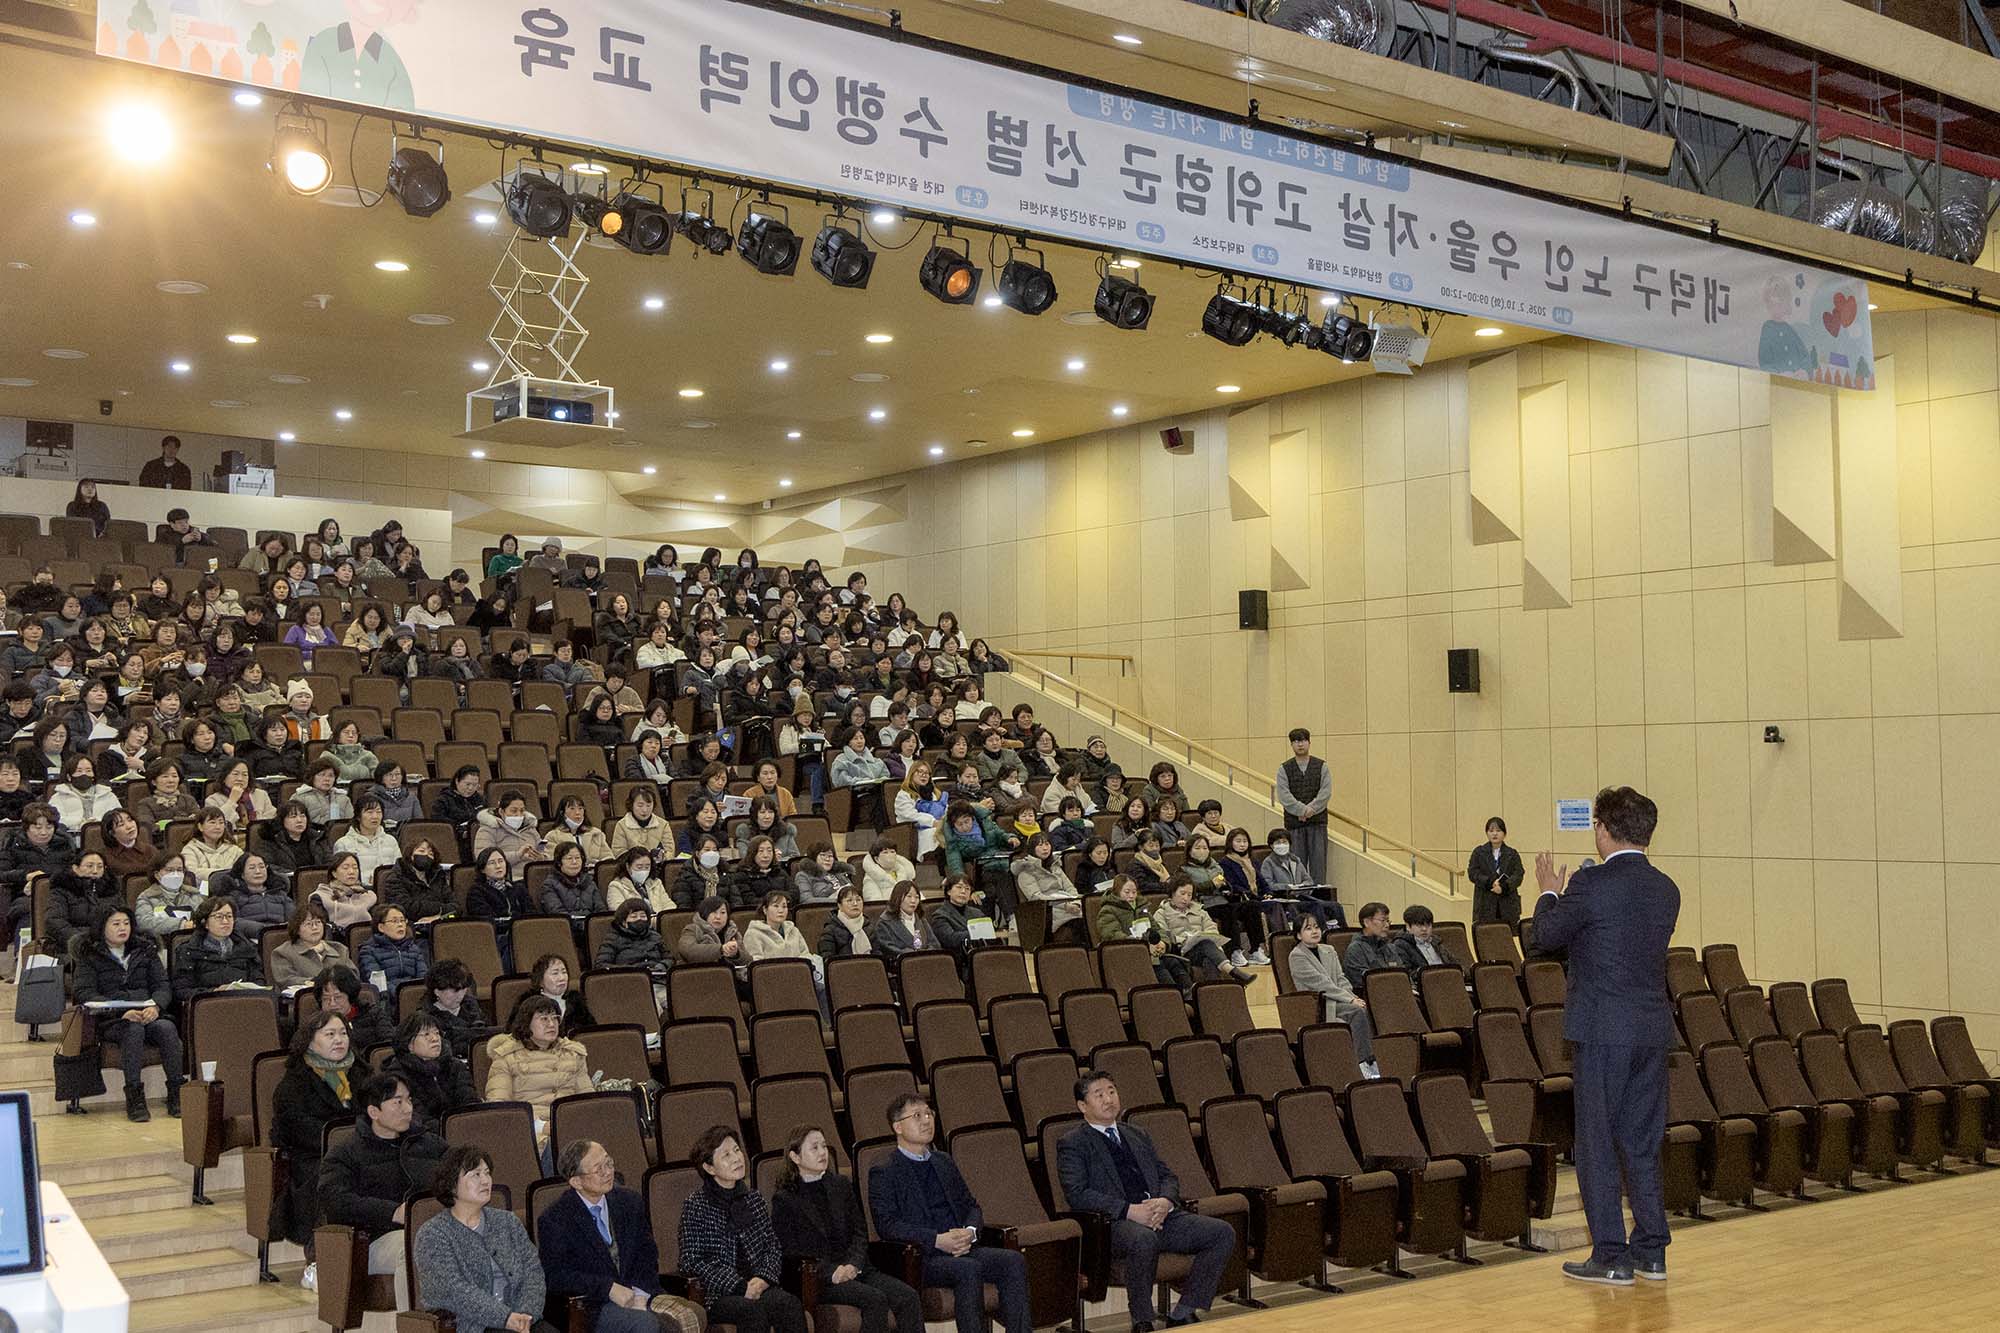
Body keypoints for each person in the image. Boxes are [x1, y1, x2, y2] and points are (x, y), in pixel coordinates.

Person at [1532, 787, 1679, 1286]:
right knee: (1642, 1142)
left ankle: (1611, 1255)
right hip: (1652, 1030)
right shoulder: (1666, 888)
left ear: (1604, 829)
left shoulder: (1591, 883)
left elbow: (1544, 938)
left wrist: (1549, 892)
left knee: (1596, 1142)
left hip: (1602, 1029)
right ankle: (1652, 1252)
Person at [1057, 1071, 1236, 1331]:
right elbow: (1077, 1194)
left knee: (1221, 1232)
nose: (1108, 1099)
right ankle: (1142, 1320)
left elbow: (1167, 1175)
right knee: (1143, 1239)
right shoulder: (1073, 1143)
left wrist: (1165, 1202)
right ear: (1083, 1106)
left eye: (1111, 1091)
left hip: (1160, 1215)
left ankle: (1184, 1310)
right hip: (1114, 1225)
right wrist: (1129, 1211)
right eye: (1099, 1095)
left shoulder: (1136, 1133)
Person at [867, 1094, 1030, 1333]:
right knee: (968, 1269)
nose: (926, 1120)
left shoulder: (943, 1161)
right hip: (922, 1257)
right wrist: (937, 1240)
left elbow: (971, 1206)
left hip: (962, 1247)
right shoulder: (884, 1171)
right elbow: (887, 1225)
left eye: (929, 1113)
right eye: (917, 1116)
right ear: (898, 1127)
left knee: (1013, 1261)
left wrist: (970, 1232)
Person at [771, 1125, 925, 1333]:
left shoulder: (840, 1184)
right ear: (795, 1157)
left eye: (824, 1146)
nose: (822, 1153)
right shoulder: (785, 1199)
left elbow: (860, 1232)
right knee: (875, 1299)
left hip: (857, 1268)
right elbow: (790, 1250)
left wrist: (854, 1263)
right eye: (814, 1148)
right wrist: (832, 1272)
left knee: (908, 1297)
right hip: (821, 1279)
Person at [318, 1072, 448, 1310]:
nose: (408, 1109)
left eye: (409, 1100)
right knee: (414, 1246)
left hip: (430, 1228)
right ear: (374, 1111)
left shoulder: (429, 1144)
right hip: (373, 1239)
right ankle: (415, 1324)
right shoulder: (345, 1153)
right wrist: (392, 1212)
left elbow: (459, 1173)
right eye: (398, 1102)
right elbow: (335, 1200)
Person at [541, 1139, 700, 1333]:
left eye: (608, 1163)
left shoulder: (629, 1202)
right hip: (595, 1305)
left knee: (694, 1312)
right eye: (598, 1169)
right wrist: (608, 1288)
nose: (608, 1172)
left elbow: (647, 1254)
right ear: (576, 1181)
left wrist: (640, 1294)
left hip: (640, 1292)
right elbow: (557, 1276)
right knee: (648, 1324)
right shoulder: (556, 1218)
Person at [678, 1126, 810, 1333]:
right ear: (710, 1168)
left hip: (759, 1285)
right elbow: (691, 1260)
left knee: (789, 1304)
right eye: (726, 1155)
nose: (737, 1158)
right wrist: (739, 1286)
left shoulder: (753, 1199)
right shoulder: (696, 1206)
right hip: (721, 1294)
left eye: (737, 1150)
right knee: (751, 1311)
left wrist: (763, 1278)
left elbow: (772, 1246)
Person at [412, 1144, 555, 1333]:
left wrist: (526, 1315)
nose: (485, 1180)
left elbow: (533, 1271)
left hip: (522, 1321)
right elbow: (454, 1291)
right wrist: (505, 1318)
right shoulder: (433, 1234)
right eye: (476, 1175)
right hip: (475, 1326)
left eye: (487, 1173)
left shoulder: (508, 1222)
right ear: (452, 1184)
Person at [71, 903, 185, 1121]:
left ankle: (176, 1092)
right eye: (116, 924)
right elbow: (84, 992)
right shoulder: (90, 955)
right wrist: (119, 1012)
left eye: (126, 923)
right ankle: (134, 1096)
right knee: (133, 1030)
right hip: (112, 1019)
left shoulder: (145, 951)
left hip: (148, 1013)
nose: (123, 928)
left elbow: (162, 985)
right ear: (102, 927)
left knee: (166, 1028)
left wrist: (156, 1006)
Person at [272, 1009, 358, 1281]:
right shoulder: (293, 1084)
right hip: (309, 1159)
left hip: (358, 1152)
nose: (339, 1040)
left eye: (343, 1033)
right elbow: (302, 1131)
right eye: (330, 1034)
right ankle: (319, 1260)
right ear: (310, 1041)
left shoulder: (362, 1074)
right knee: (332, 1175)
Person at [484, 995, 591, 1165]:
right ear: (526, 1023)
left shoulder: (572, 1053)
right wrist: (540, 1126)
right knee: (560, 1147)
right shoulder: (506, 1058)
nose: (551, 1024)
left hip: (572, 1125)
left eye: (555, 1018)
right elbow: (500, 1108)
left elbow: (587, 1099)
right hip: (531, 1131)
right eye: (544, 1019)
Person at [1284, 915, 1377, 1078]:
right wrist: (1349, 999)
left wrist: (1353, 996)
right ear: (1298, 935)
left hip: (1338, 999)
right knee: (1357, 1012)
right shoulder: (1297, 956)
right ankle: (1364, 1063)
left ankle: (1365, 1060)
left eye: (1316, 927)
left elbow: (1341, 978)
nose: (1314, 931)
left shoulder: (1329, 950)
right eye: (1308, 928)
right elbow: (1321, 984)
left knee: (1363, 1008)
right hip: (1318, 1004)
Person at [387, 1011, 477, 1133]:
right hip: (423, 1137)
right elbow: (416, 1119)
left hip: (463, 1130)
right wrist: (450, 1131)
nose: (435, 1039)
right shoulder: (398, 1077)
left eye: (437, 1033)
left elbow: (470, 1103)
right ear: (409, 1044)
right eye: (426, 1034)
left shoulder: (455, 1066)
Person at [1275, 728, 1331, 887]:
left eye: (1303, 740)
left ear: (1309, 742)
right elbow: (1284, 795)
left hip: (1317, 823)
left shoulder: (1321, 766)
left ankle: (1319, 896)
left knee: (1319, 866)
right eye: (1296, 741)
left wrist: (1311, 809)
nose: (1300, 744)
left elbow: (1325, 792)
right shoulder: (1284, 768)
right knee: (1296, 865)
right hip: (1294, 825)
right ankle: (1299, 897)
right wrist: (1301, 810)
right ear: (1291, 745)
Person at [271, 901, 352, 989]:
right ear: (297, 929)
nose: (315, 927)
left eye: (318, 922)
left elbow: (353, 977)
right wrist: (319, 982)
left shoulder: (340, 949)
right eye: (308, 923)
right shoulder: (283, 952)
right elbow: (286, 980)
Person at [1467, 815, 1525, 932]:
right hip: (1485, 902)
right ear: (1487, 833)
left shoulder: (1512, 853)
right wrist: (1489, 882)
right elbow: (1472, 873)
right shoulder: (1479, 852)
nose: (1494, 834)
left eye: (1498, 830)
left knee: (1507, 935)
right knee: (1486, 935)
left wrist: (1504, 886)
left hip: (1507, 902)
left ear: (1504, 833)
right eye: (1491, 831)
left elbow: (1518, 874)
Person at [1341, 902, 1403, 991]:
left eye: (1388, 921)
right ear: (1366, 922)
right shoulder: (1355, 949)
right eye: (1383, 920)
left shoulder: (1390, 947)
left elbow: (1402, 974)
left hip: (1395, 992)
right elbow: (1366, 981)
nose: (1387, 925)